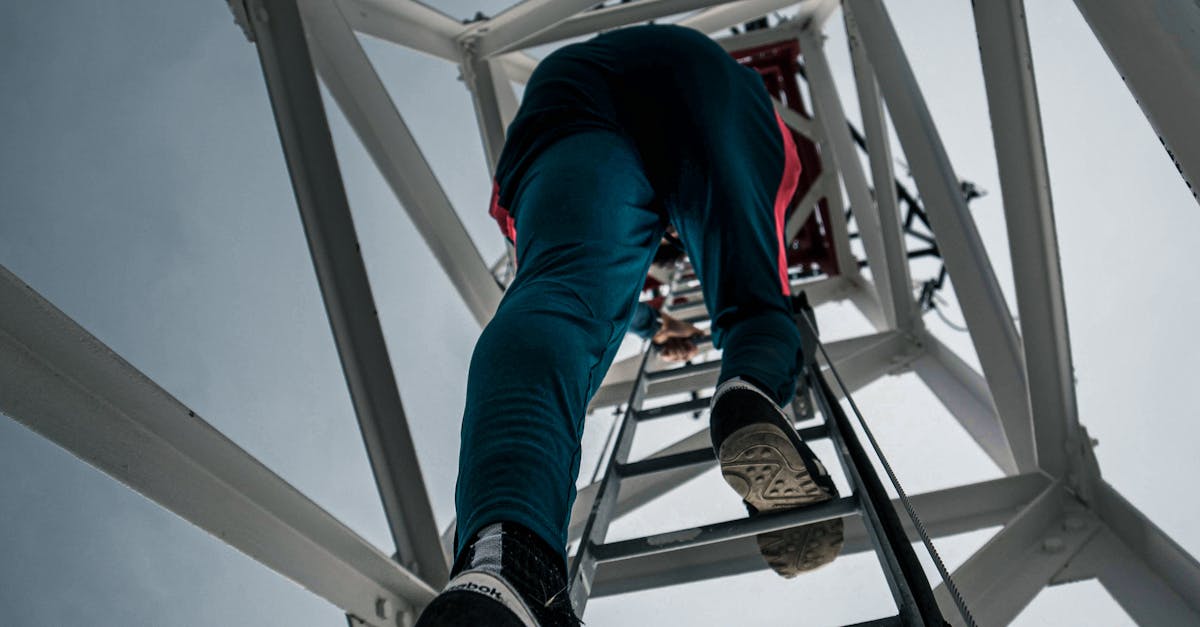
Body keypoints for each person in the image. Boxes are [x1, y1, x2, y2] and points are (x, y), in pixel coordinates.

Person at [415, 24, 841, 627]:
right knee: (756, 305)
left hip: (568, 94)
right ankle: (751, 385)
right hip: (707, 81)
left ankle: (508, 570)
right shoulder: (694, 182)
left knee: (557, 295)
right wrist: (657, 316)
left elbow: (595, 269)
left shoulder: (633, 218)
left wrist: (649, 319)